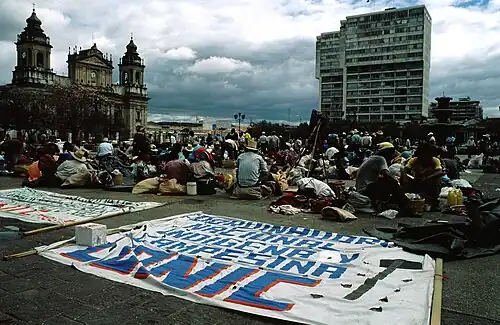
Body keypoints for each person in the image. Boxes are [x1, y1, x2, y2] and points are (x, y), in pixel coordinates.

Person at [356, 142, 414, 216]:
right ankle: (406, 207)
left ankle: (399, 205)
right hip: (365, 190)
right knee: (392, 183)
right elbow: (387, 176)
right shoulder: (380, 159)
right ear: (387, 152)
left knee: (388, 184)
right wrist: (398, 185)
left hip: (361, 189)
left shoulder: (371, 158)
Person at [402, 142, 445, 210]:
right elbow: (405, 169)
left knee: (437, 180)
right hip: (417, 182)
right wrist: (405, 179)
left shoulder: (434, 160)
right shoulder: (414, 160)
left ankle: (431, 200)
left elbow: (440, 171)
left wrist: (428, 177)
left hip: (429, 183)